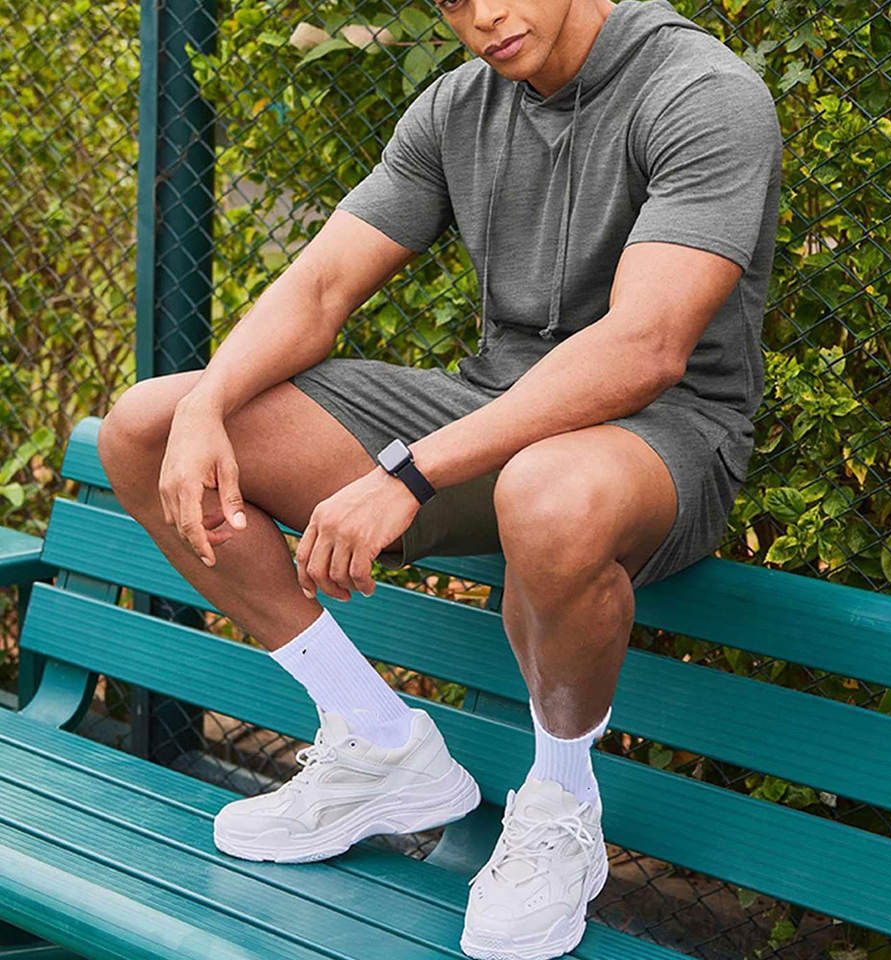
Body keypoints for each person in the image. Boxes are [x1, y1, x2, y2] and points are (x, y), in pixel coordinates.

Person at [97, 0, 782, 956]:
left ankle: (560, 808)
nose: (482, 16)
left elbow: (645, 347)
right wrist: (209, 402)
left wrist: (408, 475)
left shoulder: (700, 92)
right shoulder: (459, 105)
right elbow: (323, 285)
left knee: (548, 491)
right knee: (147, 427)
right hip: (491, 416)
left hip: (660, 438)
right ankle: (376, 741)